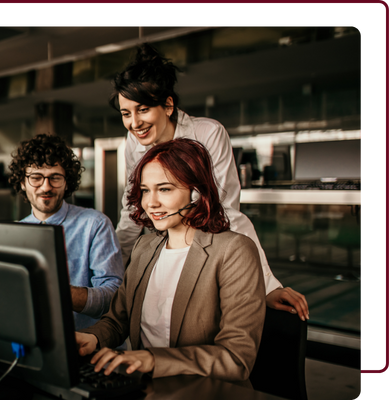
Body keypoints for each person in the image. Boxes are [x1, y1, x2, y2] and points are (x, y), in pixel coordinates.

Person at [110, 43, 309, 321]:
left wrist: (268, 285)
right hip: (162, 250)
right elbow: (132, 211)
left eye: (142, 110)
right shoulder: (134, 142)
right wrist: (111, 270)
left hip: (206, 252)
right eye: (125, 114)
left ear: (168, 105)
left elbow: (226, 211)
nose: (134, 123)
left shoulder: (208, 133)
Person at [76, 138, 266, 382]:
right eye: (145, 190)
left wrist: (153, 360)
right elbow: (118, 320)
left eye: (164, 189)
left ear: (196, 193)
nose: (151, 202)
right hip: (145, 386)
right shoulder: (145, 247)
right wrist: (91, 338)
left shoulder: (234, 251)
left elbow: (236, 358)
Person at [8, 133, 124, 330]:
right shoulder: (13, 233)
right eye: (36, 177)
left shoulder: (95, 224)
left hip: (86, 348)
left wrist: (56, 291)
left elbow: (113, 298)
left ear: (67, 182)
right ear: (22, 181)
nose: (46, 187)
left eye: (55, 177)